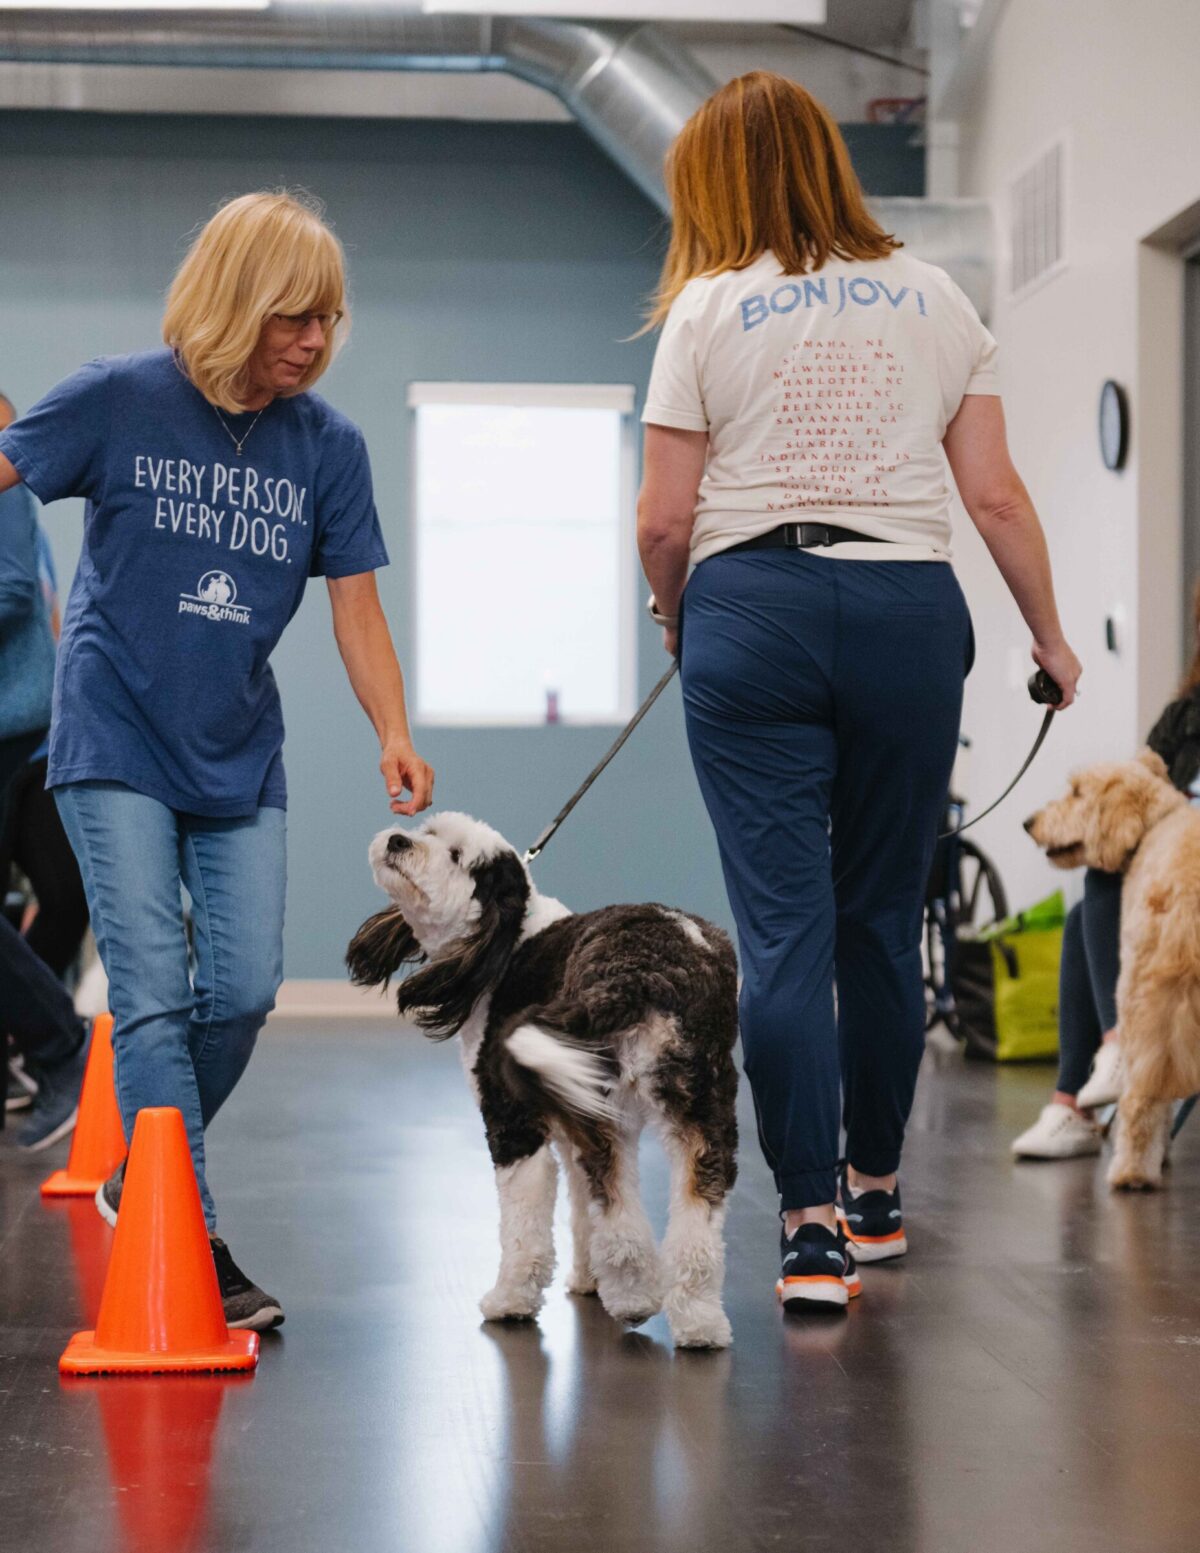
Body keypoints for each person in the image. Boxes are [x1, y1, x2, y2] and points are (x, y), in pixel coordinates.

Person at [635, 72, 1081, 1312]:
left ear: (712, 185)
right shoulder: (936, 295)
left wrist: (681, 618)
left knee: (783, 938)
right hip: (902, 613)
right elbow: (994, 496)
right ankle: (878, 1192)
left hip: (751, 614)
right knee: (882, 921)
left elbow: (664, 518)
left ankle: (810, 1230)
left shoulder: (707, 307)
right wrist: (1051, 638)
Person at [0, 190, 433, 1330]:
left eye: (328, 320)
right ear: (237, 302)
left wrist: (393, 725)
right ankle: (188, 1226)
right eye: (294, 317)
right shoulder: (115, 397)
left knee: (239, 991)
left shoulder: (325, 445)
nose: (313, 341)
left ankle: (140, 1166)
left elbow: (357, 609)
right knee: (147, 993)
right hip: (114, 733)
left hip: (239, 748)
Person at [1013, 580, 1200, 1158]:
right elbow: (1140, 794)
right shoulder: (1184, 718)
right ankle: (1092, 1082)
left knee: (1099, 898)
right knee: (1091, 893)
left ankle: (1097, 1079)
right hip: (1171, 893)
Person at [0, 391, 90, 1147]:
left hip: (23, 732)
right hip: (24, 727)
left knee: (66, 893)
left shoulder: (10, 489)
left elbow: (15, 593)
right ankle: (44, 1044)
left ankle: (56, 1044)